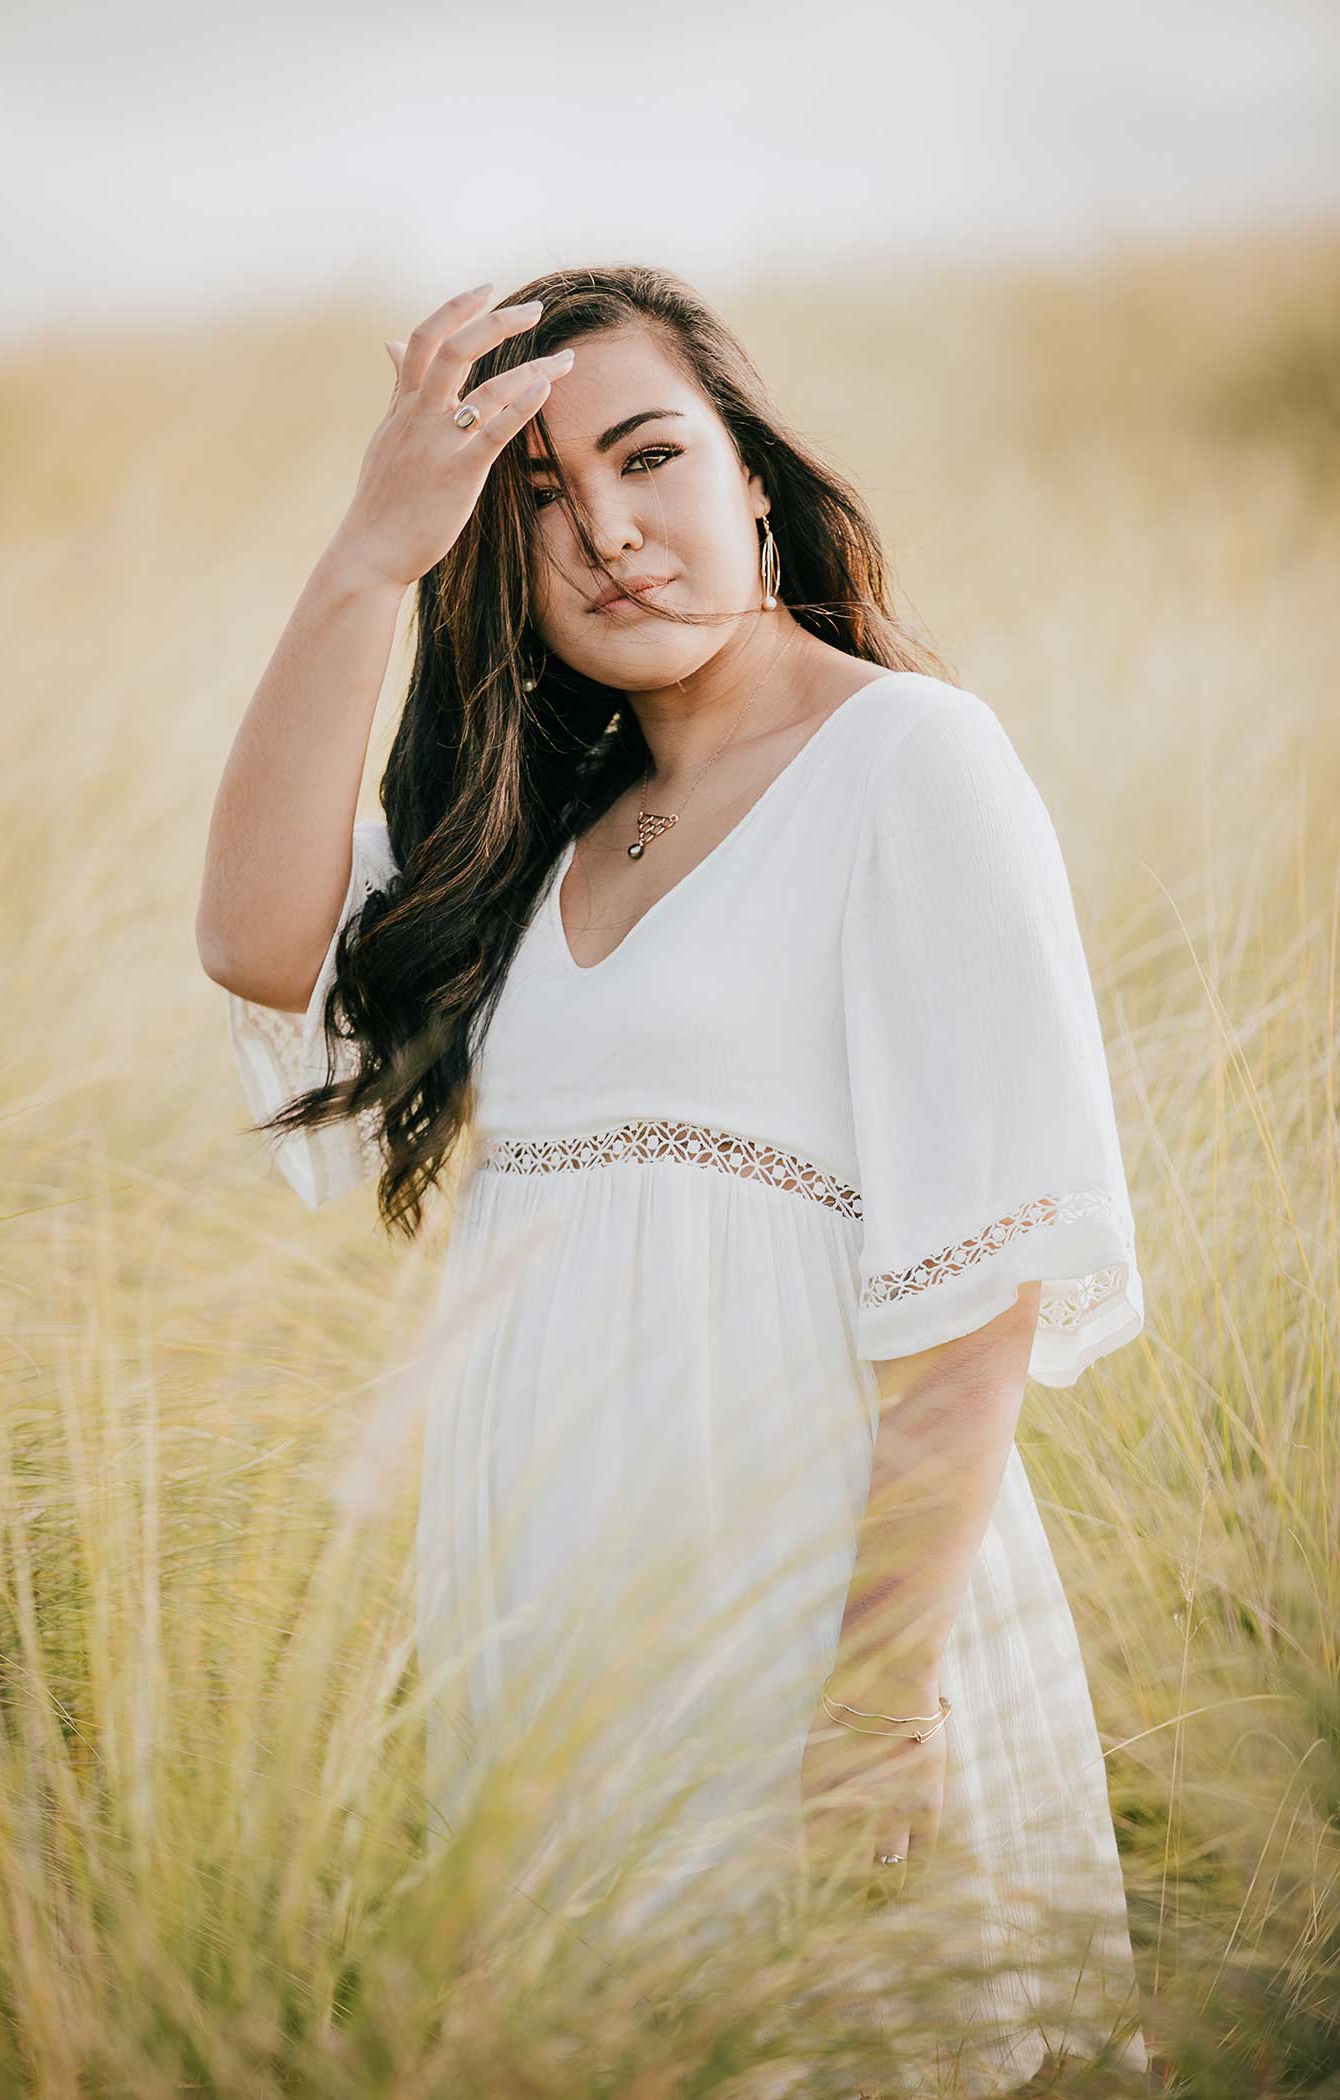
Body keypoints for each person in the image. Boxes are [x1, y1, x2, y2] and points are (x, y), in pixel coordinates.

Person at [197, 266, 1150, 2093]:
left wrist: (878, 1704)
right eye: (535, 504)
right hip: (549, 1590)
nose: (607, 535)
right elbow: (256, 939)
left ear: (757, 484)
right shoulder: (537, 822)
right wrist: (368, 559)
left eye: (649, 459)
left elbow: (989, 1280)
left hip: (807, 1594)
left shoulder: (908, 761)